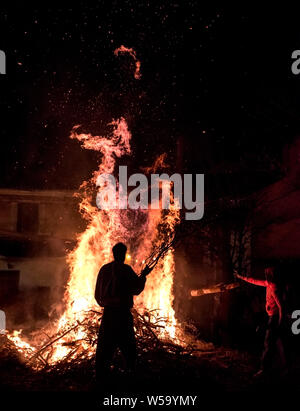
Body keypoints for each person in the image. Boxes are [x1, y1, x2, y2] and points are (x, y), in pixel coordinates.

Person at [94, 242, 152, 380]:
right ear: (123, 255)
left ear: (114, 254)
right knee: (129, 348)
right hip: (122, 316)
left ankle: (101, 378)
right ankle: (130, 377)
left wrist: (106, 304)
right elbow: (136, 289)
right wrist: (143, 276)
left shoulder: (104, 270)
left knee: (104, 349)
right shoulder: (126, 270)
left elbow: (97, 295)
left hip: (108, 315)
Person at [235, 265, 287, 377]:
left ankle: (264, 369)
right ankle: (285, 365)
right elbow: (254, 281)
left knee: (268, 343)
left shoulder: (273, 287)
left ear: (271, 275)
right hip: (272, 316)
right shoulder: (268, 284)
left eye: (267, 274)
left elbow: (281, 307)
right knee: (278, 342)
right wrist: (241, 277)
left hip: (274, 318)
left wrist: (280, 322)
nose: (265, 276)